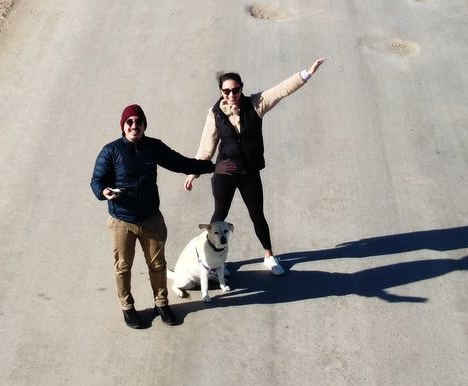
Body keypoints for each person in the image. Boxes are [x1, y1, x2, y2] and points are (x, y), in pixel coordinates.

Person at [185, 58, 324, 275]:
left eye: (235, 90)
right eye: (226, 91)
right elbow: (206, 146)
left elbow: (281, 90)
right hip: (225, 173)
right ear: (221, 92)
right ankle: (211, 263)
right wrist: (194, 172)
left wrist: (306, 74)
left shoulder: (256, 104)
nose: (231, 95)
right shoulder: (214, 113)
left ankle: (269, 256)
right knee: (218, 218)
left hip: (249, 172)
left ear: (241, 88)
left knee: (257, 215)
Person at [91, 103, 217, 328]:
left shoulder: (153, 147)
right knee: (123, 266)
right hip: (122, 221)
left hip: (151, 218)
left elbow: (180, 163)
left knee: (157, 264)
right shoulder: (111, 151)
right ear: (123, 125)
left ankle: (162, 304)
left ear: (144, 125)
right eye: (129, 122)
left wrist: (213, 167)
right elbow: (97, 180)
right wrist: (103, 191)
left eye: (138, 122)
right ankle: (127, 307)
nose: (134, 126)